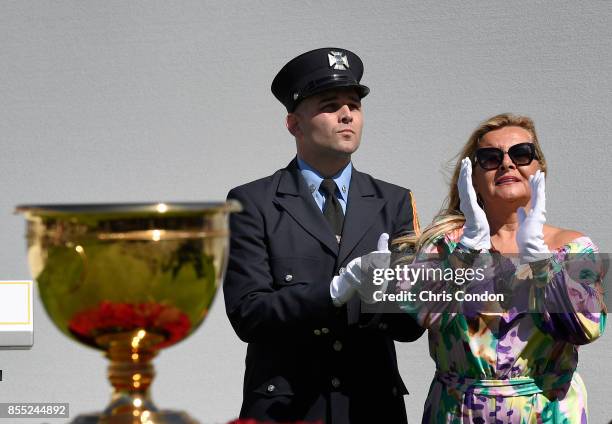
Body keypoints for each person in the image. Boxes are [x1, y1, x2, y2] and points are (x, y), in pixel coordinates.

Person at [223, 47, 424, 423]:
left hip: (371, 406)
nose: (347, 114)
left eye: (354, 105)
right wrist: (333, 292)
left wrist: (392, 293)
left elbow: (410, 327)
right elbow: (248, 314)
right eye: (330, 105)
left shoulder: (394, 201)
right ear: (294, 124)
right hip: (288, 408)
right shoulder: (253, 202)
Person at [392, 113, 607, 423]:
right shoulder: (442, 247)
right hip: (458, 412)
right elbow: (416, 312)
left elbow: (586, 327)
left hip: (547, 411)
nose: (507, 164)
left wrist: (541, 262)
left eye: (521, 154)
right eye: (490, 158)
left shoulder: (574, 247)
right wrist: (466, 249)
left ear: (539, 170)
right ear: (474, 179)